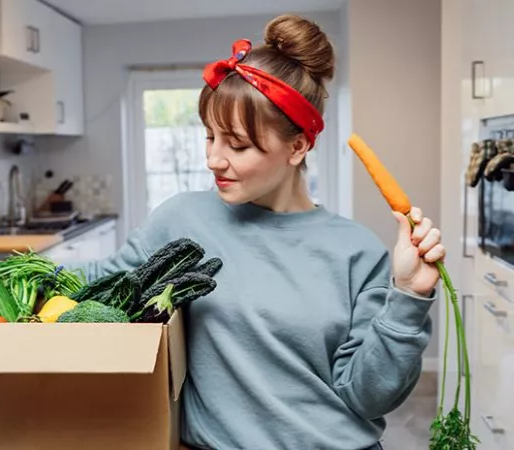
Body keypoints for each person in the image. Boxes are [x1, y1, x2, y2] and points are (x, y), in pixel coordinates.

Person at [73, 14, 445, 450]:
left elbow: (368, 397)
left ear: (298, 146)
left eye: (237, 144)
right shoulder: (183, 220)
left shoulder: (357, 251)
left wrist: (409, 296)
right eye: (210, 136)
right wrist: (8, 278)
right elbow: (104, 281)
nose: (214, 158)